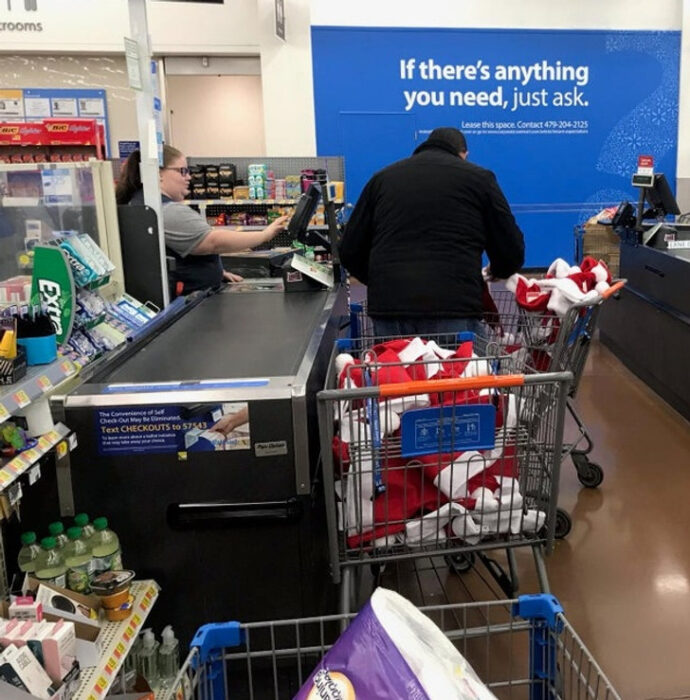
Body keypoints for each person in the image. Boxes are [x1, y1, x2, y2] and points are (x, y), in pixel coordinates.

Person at [339, 127, 525, 338]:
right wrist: (499, 270)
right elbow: (510, 248)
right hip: (454, 305)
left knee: (396, 369)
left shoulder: (381, 179)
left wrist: (381, 278)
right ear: (463, 153)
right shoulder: (480, 179)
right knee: (459, 369)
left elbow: (349, 250)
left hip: (390, 308)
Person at [116, 147, 289, 296]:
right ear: (158, 174)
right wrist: (264, 235)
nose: (189, 177)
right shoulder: (167, 211)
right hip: (189, 302)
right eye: (182, 171)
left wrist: (216, 271)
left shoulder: (141, 203)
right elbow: (213, 242)